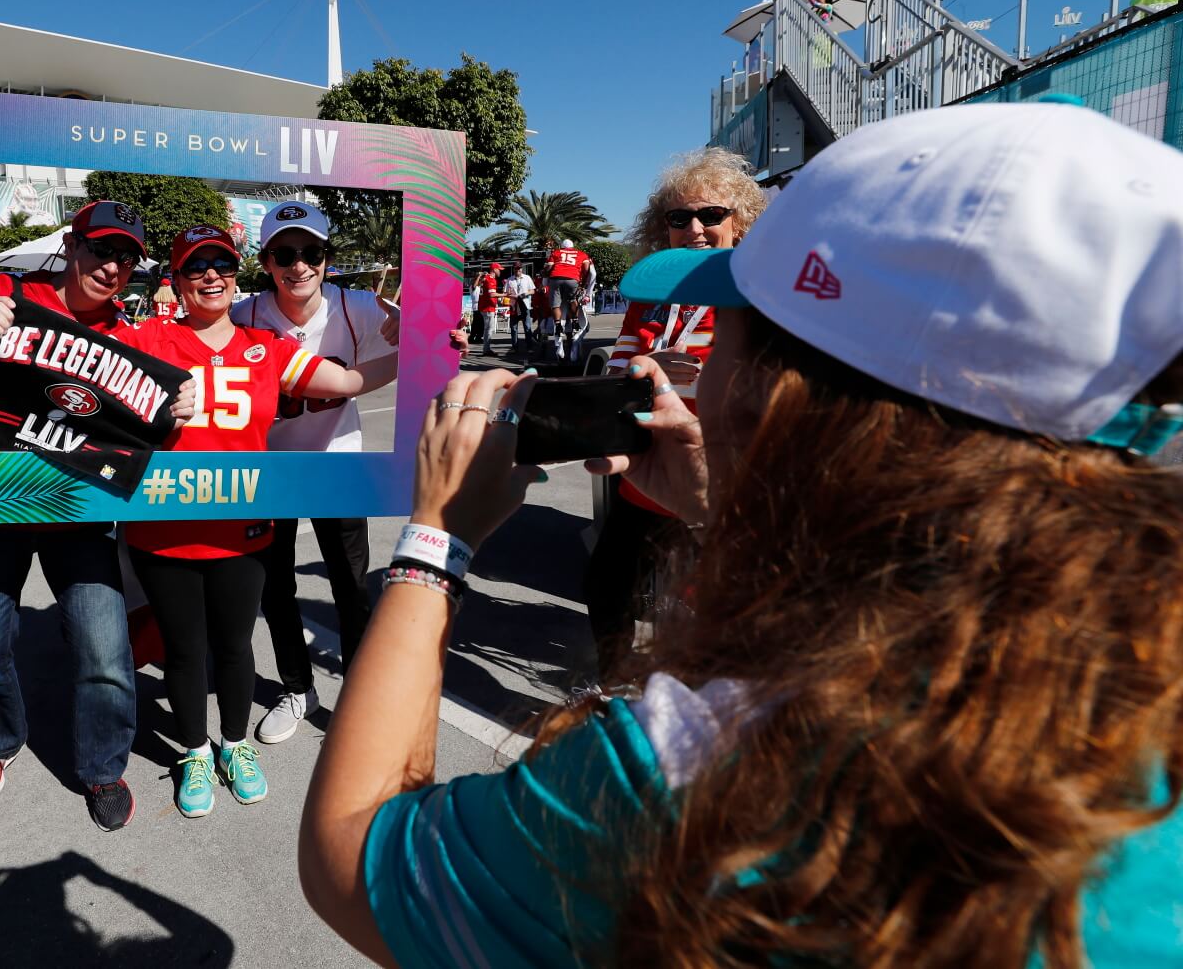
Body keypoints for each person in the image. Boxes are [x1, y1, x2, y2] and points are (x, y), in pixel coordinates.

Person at [300, 104, 1183, 967]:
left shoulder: (700, 772)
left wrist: (436, 539)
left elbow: (349, 856)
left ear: (772, 395)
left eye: (737, 329)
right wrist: (720, 511)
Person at [0, 199, 195, 832]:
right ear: (72, 244)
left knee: (104, 649)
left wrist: (173, 419)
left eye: (126, 257)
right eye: (101, 249)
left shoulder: (132, 337)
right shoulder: (7, 291)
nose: (112, 266)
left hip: (78, 512)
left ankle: (103, 768)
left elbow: (144, 439)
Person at [126, 223, 367, 819]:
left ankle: (234, 745)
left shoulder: (268, 346)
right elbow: (81, 388)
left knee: (235, 647)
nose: (212, 275)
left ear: (238, 276)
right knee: (183, 652)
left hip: (243, 528)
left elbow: (351, 380)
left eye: (223, 265)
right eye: (196, 266)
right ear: (176, 280)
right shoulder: (148, 340)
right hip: (165, 526)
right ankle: (194, 752)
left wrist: (427, 336)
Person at [584, 147, 768, 671]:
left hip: (723, 473)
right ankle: (613, 685)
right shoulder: (651, 294)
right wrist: (646, 359)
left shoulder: (757, 295)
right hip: (647, 470)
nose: (696, 229)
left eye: (713, 215)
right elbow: (616, 373)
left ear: (741, 222)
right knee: (606, 583)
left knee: (717, 606)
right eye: (679, 217)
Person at [230, 202, 400, 745]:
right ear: (266, 261)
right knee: (273, 587)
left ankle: (358, 695)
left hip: (339, 462)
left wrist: (439, 335)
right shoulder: (244, 313)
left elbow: (424, 347)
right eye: (284, 253)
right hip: (270, 469)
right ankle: (297, 689)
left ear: (327, 258)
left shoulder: (357, 307)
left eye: (310, 253)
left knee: (352, 586)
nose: (298, 266)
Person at [501, 262, 535, 352]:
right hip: (514, 306)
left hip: (525, 305)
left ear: (522, 269)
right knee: (513, 328)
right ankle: (515, 347)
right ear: (514, 269)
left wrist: (525, 294)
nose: (518, 270)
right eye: (516, 268)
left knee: (527, 327)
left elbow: (533, 291)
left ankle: (530, 347)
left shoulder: (527, 278)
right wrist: (512, 296)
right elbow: (505, 293)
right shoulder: (510, 280)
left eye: (519, 268)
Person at [474, 262, 501, 356]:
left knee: (487, 329)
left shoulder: (485, 278)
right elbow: (492, 294)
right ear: (494, 269)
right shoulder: (491, 279)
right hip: (488, 308)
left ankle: (486, 349)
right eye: (499, 269)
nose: (500, 271)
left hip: (483, 307)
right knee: (489, 329)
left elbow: (475, 286)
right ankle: (486, 350)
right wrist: (506, 294)